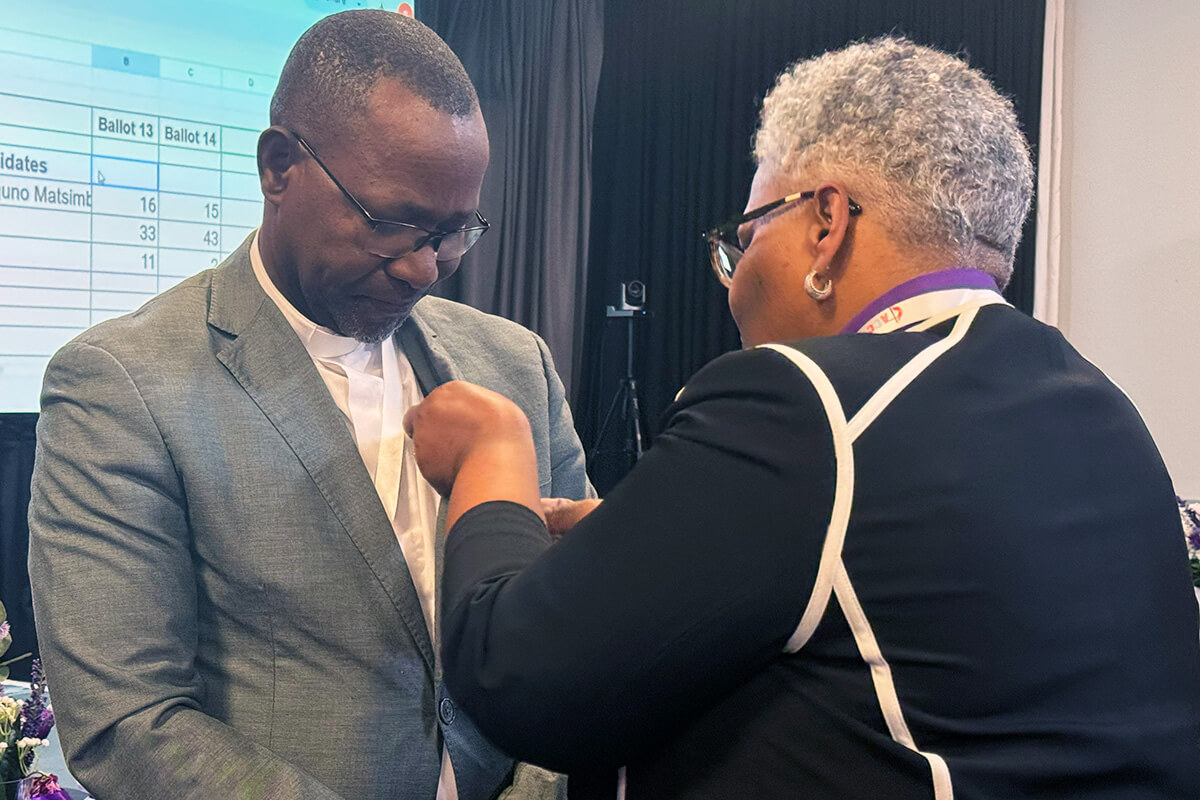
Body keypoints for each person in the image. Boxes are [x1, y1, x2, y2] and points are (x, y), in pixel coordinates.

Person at [404, 36, 1200, 799]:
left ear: (826, 224)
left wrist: (492, 457)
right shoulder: (1103, 412)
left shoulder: (804, 402)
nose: (733, 277)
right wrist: (659, 548)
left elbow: (517, 677)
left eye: (747, 235)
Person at [27, 10, 590, 800]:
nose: (426, 268)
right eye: (394, 224)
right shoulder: (123, 384)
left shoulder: (515, 365)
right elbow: (127, 719)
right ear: (279, 167)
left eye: (455, 231)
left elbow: (578, 634)